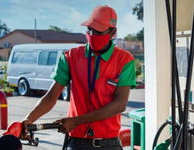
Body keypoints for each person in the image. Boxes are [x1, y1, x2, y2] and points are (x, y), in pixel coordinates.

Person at [20, 5, 136, 150]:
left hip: (108, 143)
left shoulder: (124, 60)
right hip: (76, 142)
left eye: (98, 32)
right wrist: (28, 119)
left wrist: (76, 121)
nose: (93, 35)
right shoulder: (70, 57)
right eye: (90, 30)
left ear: (113, 32)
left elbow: (119, 105)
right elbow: (51, 97)